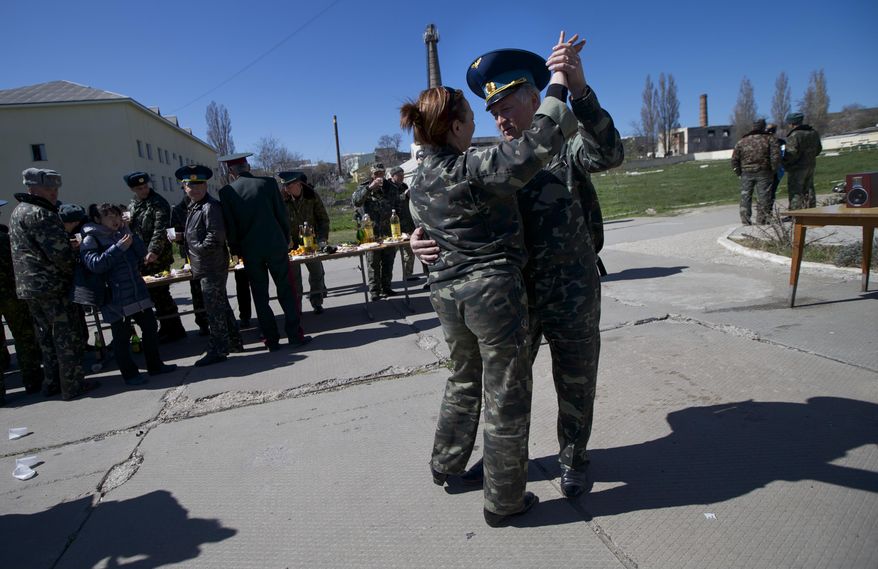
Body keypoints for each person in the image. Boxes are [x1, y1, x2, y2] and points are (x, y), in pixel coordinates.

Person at [412, 42, 624, 499]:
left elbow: (609, 154)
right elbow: (447, 211)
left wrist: (580, 92)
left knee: (577, 378)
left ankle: (573, 458)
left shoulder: (564, 150)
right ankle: (502, 461)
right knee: (503, 386)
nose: (501, 120)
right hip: (513, 297)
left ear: (535, 99)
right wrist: (417, 238)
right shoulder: (492, 162)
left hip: (572, 289)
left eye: (507, 107)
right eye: (492, 113)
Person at [10, 168, 99, 400]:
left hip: (29, 287)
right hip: (51, 286)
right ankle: (72, 386)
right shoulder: (41, 213)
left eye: (55, 188)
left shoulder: (18, 210)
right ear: (32, 188)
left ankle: (52, 384)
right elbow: (58, 254)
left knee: (46, 338)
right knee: (66, 336)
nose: (53, 193)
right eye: (49, 188)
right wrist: (75, 265)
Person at [218, 153, 309, 351]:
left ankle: (271, 339)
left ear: (231, 172)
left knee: (260, 295)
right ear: (248, 166)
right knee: (286, 290)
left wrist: (236, 250)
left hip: (250, 250)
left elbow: (231, 227)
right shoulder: (268, 183)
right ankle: (294, 335)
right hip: (275, 245)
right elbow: (281, 214)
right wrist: (285, 239)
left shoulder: (227, 192)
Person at [80, 203, 177, 385]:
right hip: (115, 296)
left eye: (117, 216)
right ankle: (130, 374)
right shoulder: (91, 239)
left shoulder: (122, 233)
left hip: (136, 291)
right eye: (110, 217)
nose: (115, 220)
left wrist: (130, 234)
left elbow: (141, 254)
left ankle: (155, 365)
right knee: (121, 337)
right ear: (97, 220)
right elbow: (95, 265)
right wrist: (118, 247)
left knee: (149, 327)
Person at [176, 165, 243, 366]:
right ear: (184, 187)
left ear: (206, 185)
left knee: (214, 310)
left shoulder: (209, 206)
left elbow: (215, 237)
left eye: (199, 185)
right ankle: (234, 342)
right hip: (206, 264)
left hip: (211, 265)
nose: (194, 189)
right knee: (221, 304)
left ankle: (218, 349)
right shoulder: (194, 206)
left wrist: (197, 248)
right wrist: (184, 240)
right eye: (190, 185)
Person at [124, 172, 187, 343]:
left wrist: (153, 251)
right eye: (139, 188)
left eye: (145, 187)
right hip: (141, 256)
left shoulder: (158, 202)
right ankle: (168, 327)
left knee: (161, 293)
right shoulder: (133, 204)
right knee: (153, 295)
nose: (144, 190)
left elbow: (160, 230)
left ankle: (174, 328)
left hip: (157, 256)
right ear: (132, 189)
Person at [0, 199, 44, 405]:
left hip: (10, 293)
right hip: (11, 295)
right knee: (25, 337)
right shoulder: (4, 238)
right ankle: (33, 379)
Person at [279, 171, 330, 314]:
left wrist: (322, 238)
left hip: (311, 243)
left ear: (298, 185)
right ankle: (297, 307)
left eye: (288, 186)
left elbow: (323, 219)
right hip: (291, 246)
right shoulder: (281, 199)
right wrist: (284, 239)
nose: (286, 190)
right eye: (284, 187)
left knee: (317, 273)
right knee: (294, 279)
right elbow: (276, 222)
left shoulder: (311, 196)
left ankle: (317, 302)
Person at [352, 163, 400, 300]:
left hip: (387, 232)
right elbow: (356, 202)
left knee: (388, 260)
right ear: (372, 175)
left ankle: (387, 287)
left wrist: (397, 223)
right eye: (376, 174)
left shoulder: (390, 188)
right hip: (370, 233)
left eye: (381, 173)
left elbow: (397, 205)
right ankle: (374, 291)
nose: (379, 176)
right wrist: (369, 188)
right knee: (373, 262)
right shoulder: (364, 187)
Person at [731, 118, 781, 225]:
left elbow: (734, 159)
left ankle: (745, 220)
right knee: (764, 197)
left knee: (745, 196)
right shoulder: (770, 139)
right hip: (764, 172)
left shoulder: (742, 141)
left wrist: (739, 172)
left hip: (746, 172)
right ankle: (762, 220)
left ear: (753, 127)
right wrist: (773, 170)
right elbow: (776, 157)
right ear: (763, 127)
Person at [782, 112, 822, 210]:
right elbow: (819, 149)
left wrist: (784, 162)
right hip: (810, 165)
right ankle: (812, 210)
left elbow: (791, 153)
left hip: (797, 167)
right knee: (809, 189)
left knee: (795, 191)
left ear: (792, 123)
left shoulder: (795, 135)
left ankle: (795, 214)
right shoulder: (813, 133)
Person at [387, 166, 419, 281]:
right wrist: (403, 195)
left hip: (407, 223)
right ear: (392, 175)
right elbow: (390, 202)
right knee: (391, 254)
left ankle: (408, 275)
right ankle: (386, 281)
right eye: (399, 175)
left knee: (409, 252)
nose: (402, 177)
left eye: (403, 175)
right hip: (392, 225)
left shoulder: (404, 186)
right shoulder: (388, 187)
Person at [765, 123, 785, 211]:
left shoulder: (764, 142)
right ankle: (768, 211)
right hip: (777, 170)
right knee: (771, 191)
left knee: (766, 192)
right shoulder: (781, 142)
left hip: (770, 170)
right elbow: (784, 156)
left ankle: (766, 212)